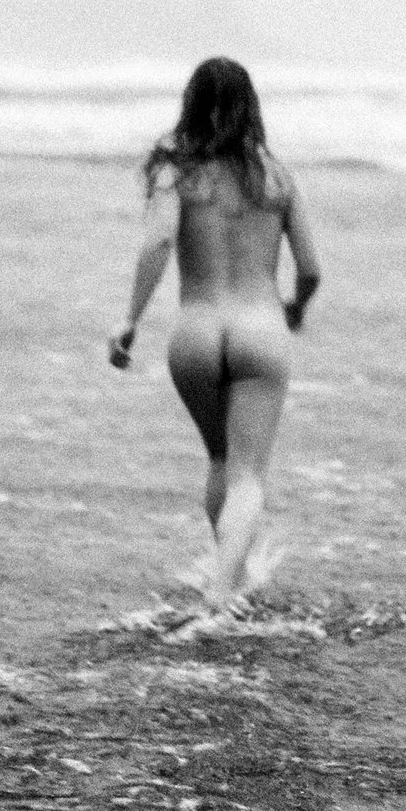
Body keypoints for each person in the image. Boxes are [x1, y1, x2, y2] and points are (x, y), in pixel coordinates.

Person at [109, 58, 321, 611]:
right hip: (259, 331)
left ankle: (230, 578)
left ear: (191, 103)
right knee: (249, 475)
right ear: (251, 106)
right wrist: (295, 309)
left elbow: (157, 244)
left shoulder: (176, 173)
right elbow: (311, 269)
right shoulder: (277, 179)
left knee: (222, 461)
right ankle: (223, 595)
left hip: (195, 333)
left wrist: (129, 321)